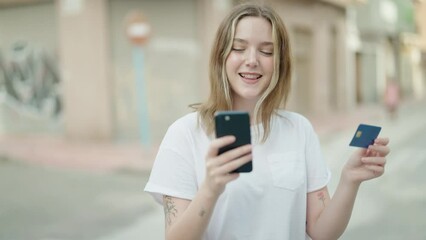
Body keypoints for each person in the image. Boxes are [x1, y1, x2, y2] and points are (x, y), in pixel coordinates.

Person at [144, 3, 390, 240]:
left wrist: (350, 180)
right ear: (221, 57)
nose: (252, 60)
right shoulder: (185, 134)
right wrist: (210, 189)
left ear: (280, 63)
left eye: (266, 51)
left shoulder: (299, 129)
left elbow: (322, 232)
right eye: (238, 48)